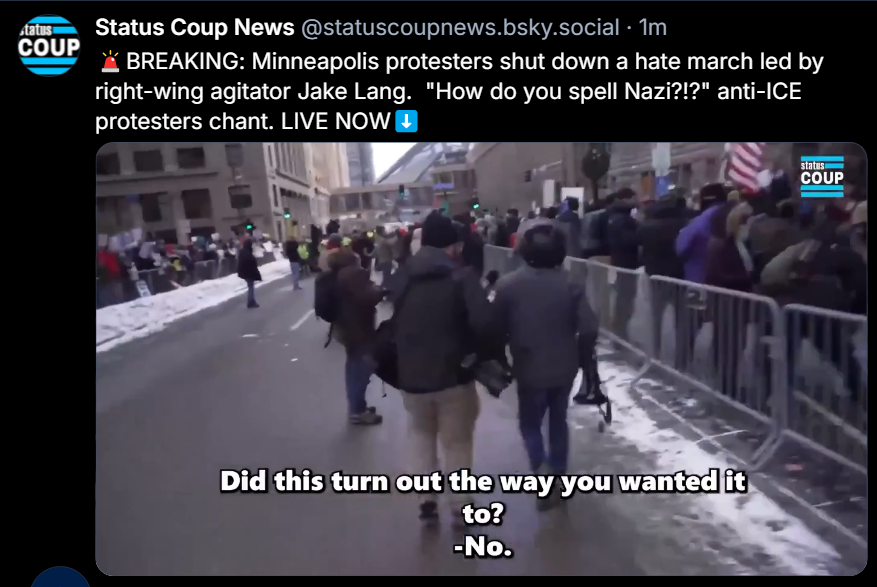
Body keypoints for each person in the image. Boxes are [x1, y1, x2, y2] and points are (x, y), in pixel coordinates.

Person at [391, 212, 494, 526]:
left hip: (411, 375)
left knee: (421, 434)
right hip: (453, 375)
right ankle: (460, 506)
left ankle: (426, 499)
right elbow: (484, 324)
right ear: (452, 246)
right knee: (457, 441)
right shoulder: (462, 278)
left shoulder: (403, 276)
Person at [491, 222, 598, 510]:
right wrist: (583, 355)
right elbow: (589, 327)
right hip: (565, 365)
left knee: (530, 423)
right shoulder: (571, 284)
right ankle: (558, 473)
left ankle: (541, 472)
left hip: (528, 365)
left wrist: (499, 359)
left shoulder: (508, 285)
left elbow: (495, 328)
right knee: (558, 420)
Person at [329, 244, 385, 425]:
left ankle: (356, 406)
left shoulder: (340, 274)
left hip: (347, 327)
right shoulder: (354, 274)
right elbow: (368, 297)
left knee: (353, 367)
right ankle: (358, 411)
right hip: (359, 328)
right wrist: (379, 292)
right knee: (362, 369)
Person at [237, 238, 262, 308]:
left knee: (250, 286)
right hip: (249, 272)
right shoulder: (248, 253)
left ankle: (251, 301)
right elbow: (251, 262)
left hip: (244, 272)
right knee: (251, 287)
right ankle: (251, 301)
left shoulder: (242, 252)